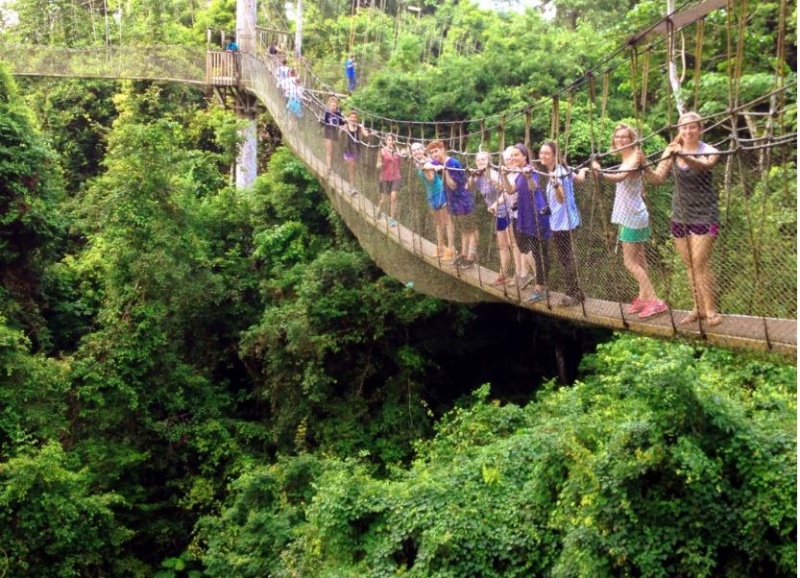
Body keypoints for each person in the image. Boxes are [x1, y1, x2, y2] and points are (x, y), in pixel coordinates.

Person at [644, 111, 722, 326]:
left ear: (700, 129)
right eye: (684, 127)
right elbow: (657, 178)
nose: (688, 131)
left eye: (692, 127)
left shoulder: (710, 150)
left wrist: (683, 156)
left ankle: (711, 310)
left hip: (705, 214)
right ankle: (697, 308)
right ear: (680, 129)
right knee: (689, 264)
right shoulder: (671, 151)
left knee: (700, 262)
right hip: (680, 215)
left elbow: (705, 165)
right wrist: (643, 166)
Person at [588, 123, 667, 319]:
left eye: (625, 136)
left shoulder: (636, 156)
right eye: (618, 137)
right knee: (640, 260)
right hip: (631, 214)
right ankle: (643, 296)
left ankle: (655, 301)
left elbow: (621, 177)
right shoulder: (627, 157)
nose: (621, 139)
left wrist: (600, 172)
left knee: (629, 262)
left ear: (632, 139)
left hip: (632, 216)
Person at [538, 141, 584, 307]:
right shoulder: (564, 170)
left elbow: (561, 198)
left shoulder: (557, 174)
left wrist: (556, 184)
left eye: (546, 153)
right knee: (567, 258)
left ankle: (574, 293)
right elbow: (579, 179)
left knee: (566, 259)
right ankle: (577, 292)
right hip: (564, 220)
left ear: (554, 156)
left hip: (563, 223)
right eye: (541, 153)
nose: (542, 156)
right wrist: (584, 170)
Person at [507, 144, 550, 300]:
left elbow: (533, 187)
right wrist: (504, 176)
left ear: (525, 156)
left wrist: (528, 176)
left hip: (537, 217)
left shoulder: (531, 170)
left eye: (516, 155)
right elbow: (510, 190)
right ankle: (540, 284)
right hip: (526, 218)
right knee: (529, 248)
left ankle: (540, 288)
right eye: (512, 156)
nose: (513, 158)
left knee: (540, 253)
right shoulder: (519, 173)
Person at [427, 141, 479, 269]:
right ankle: (463, 254)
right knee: (463, 230)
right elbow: (427, 163)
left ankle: (471, 258)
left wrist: (444, 171)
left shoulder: (453, 163)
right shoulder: (438, 162)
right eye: (432, 152)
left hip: (463, 200)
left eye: (436, 151)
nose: (434, 154)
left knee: (471, 230)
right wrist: (431, 164)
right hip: (453, 202)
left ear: (443, 149)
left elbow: (453, 185)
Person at [469, 151, 510, 285]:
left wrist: (494, 204)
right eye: (478, 160)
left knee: (513, 245)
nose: (480, 162)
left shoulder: (493, 175)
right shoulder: (478, 176)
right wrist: (471, 175)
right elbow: (467, 187)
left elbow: (505, 192)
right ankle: (503, 275)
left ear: (489, 161)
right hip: (498, 214)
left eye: (483, 160)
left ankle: (521, 275)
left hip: (508, 212)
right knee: (502, 246)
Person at [411, 143, 455, 260]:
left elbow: (430, 179)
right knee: (437, 222)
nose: (416, 152)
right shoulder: (418, 162)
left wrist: (425, 166)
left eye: (418, 149)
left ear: (423, 150)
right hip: (431, 196)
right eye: (414, 150)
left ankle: (451, 249)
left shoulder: (428, 162)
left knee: (447, 222)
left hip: (440, 192)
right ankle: (440, 246)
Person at [376, 134, 406, 227]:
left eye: (392, 139)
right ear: (386, 141)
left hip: (396, 177)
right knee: (384, 199)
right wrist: (379, 165)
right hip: (385, 177)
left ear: (394, 141)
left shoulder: (397, 151)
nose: (391, 141)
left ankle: (392, 218)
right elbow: (378, 163)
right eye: (389, 139)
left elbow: (402, 163)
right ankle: (379, 209)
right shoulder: (382, 151)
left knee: (393, 197)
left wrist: (404, 155)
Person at [342, 109, 371, 194]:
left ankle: (351, 186)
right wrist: (343, 123)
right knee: (352, 167)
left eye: (355, 117)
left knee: (353, 169)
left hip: (356, 150)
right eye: (351, 117)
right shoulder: (346, 125)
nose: (353, 119)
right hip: (347, 149)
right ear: (349, 117)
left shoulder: (359, 126)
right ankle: (352, 187)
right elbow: (340, 131)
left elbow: (365, 135)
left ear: (357, 118)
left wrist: (367, 131)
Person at [321, 96, 344, 172]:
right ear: (329, 106)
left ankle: (333, 165)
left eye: (334, 106)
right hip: (328, 132)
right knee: (329, 150)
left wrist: (346, 122)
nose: (333, 107)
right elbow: (324, 123)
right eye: (331, 105)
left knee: (334, 151)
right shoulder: (327, 113)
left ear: (336, 106)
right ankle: (328, 167)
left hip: (335, 133)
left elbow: (342, 123)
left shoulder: (338, 114)